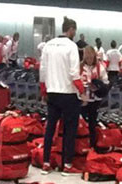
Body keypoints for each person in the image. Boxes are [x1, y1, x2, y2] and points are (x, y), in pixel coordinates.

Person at [39, 17, 85, 176]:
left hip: (52, 93)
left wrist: (43, 91)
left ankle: (46, 162)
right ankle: (67, 164)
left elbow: (42, 71)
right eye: (74, 31)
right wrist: (82, 91)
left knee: (50, 129)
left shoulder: (48, 45)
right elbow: (74, 73)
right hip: (69, 94)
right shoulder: (71, 46)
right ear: (71, 30)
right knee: (69, 130)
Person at [79, 46, 109, 149]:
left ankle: (92, 145)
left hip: (95, 99)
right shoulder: (79, 67)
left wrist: (98, 85)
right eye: (87, 57)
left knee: (92, 123)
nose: (89, 59)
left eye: (91, 57)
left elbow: (106, 82)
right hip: (82, 99)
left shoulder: (100, 67)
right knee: (82, 123)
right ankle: (81, 144)